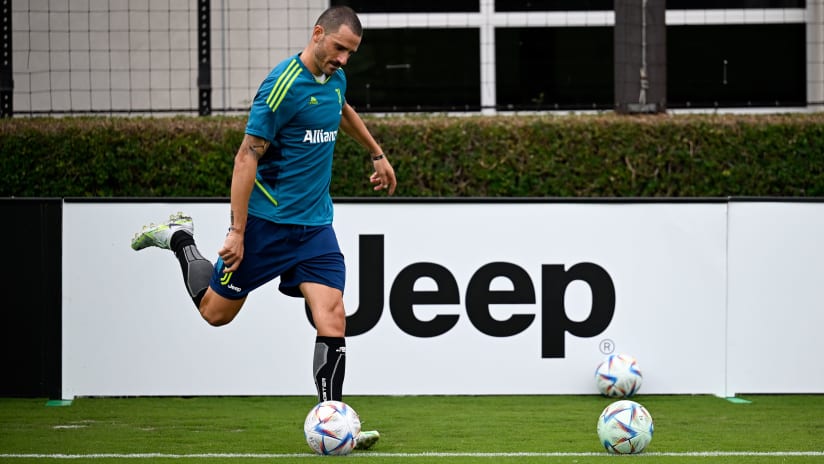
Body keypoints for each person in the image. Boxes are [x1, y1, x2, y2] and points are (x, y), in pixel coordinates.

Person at [131, 5, 395, 450]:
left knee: (331, 313)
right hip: (265, 226)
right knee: (215, 314)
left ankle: (334, 420)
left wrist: (376, 152)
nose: (343, 60)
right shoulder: (281, 86)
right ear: (317, 34)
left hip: (315, 228)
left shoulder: (335, 79)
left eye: (351, 53)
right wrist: (236, 231)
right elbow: (246, 155)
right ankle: (180, 238)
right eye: (338, 49)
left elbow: (342, 108)